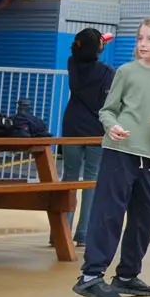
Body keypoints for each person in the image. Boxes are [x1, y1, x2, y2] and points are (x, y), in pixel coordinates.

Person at [71, 18, 150, 297]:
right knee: (109, 212)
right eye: (140, 38)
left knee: (146, 215)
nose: (142, 44)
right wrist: (111, 126)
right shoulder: (126, 72)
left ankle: (127, 275)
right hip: (120, 150)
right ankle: (91, 276)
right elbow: (108, 110)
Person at [61, 27, 114, 245]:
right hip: (96, 128)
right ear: (98, 48)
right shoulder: (107, 72)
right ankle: (83, 233)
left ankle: (61, 231)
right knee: (92, 180)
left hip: (72, 125)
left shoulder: (72, 64)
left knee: (69, 178)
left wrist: (95, 44)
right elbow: (106, 101)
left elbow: (82, 53)